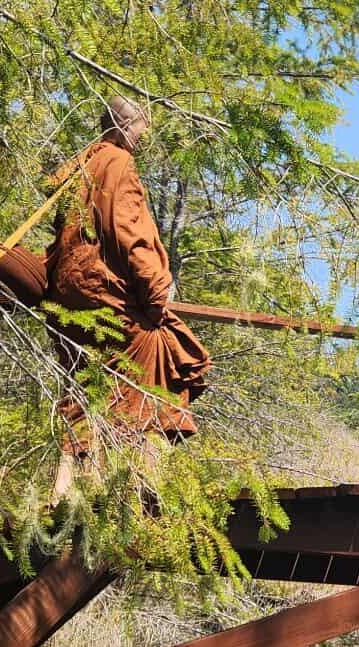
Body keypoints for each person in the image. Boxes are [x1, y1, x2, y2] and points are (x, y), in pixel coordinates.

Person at [44, 96, 211, 498]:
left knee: (84, 390)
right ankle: (140, 488)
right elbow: (131, 236)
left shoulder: (78, 167)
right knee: (165, 358)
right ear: (122, 125)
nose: (142, 138)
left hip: (68, 304)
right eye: (140, 129)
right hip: (110, 301)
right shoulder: (118, 165)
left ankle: (64, 492)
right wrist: (156, 294)